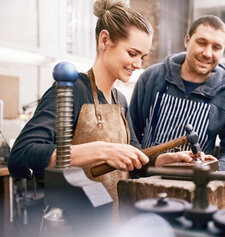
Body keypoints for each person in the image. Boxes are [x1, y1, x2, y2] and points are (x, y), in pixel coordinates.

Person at [8, 0, 206, 188]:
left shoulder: (119, 101)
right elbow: (22, 154)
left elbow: (135, 157)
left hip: (112, 216)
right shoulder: (73, 90)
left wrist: (164, 161)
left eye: (142, 57)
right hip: (73, 218)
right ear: (104, 40)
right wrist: (102, 150)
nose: (138, 64)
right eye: (132, 53)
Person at [129, 15, 225, 171]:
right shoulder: (152, 78)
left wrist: (215, 170)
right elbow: (131, 134)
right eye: (201, 43)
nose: (207, 53)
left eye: (216, 47)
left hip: (193, 189)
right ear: (187, 41)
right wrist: (145, 163)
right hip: (142, 181)